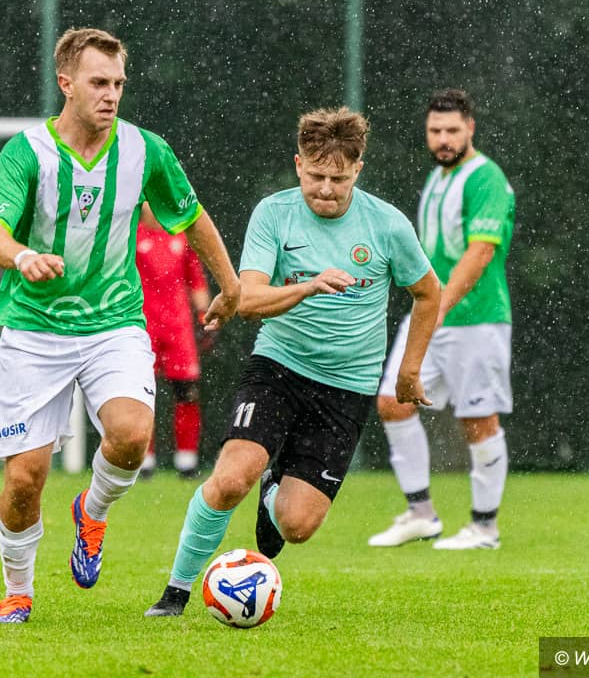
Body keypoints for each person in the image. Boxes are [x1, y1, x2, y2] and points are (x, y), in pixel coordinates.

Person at [0, 27, 240, 624]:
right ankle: (18, 591)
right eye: (99, 82)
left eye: (119, 83)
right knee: (25, 479)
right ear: (66, 84)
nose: (112, 94)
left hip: (114, 323)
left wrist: (230, 284)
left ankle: (91, 514)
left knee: (130, 433)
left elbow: (192, 217)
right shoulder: (26, 152)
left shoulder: (146, 150)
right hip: (34, 328)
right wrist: (23, 255)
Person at [144, 107, 441, 617]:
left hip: (347, 387)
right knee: (231, 478)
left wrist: (409, 370)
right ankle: (176, 591)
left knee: (297, 526)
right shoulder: (275, 213)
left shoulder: (388, 225)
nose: (326, 189)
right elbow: (247, 300)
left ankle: (273, 491)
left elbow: (428, 292)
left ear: (358, 170)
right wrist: (308, 286)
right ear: (299, 164)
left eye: (339, 180)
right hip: (277, 369)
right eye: (316, 176)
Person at [367, 88, 515, 551]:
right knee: (392, 401)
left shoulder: (485, 177)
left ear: (470, 128)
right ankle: (421, 514)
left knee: (478, 419)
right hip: (433, 316)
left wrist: (441, 305)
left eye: (452, 130)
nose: (443, 139)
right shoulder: (437, 177)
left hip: (478, 319)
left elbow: (481, 251)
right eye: (435, 130)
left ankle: (484, 528)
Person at [136, 203, 213, 479]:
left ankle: (186, 460)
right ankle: (143, 459)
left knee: (187, 392)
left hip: (178, 328)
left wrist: (205, 317)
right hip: (143, 326)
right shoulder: (133, 236)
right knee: (141, 392)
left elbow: (196, 281)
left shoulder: (181, 236)